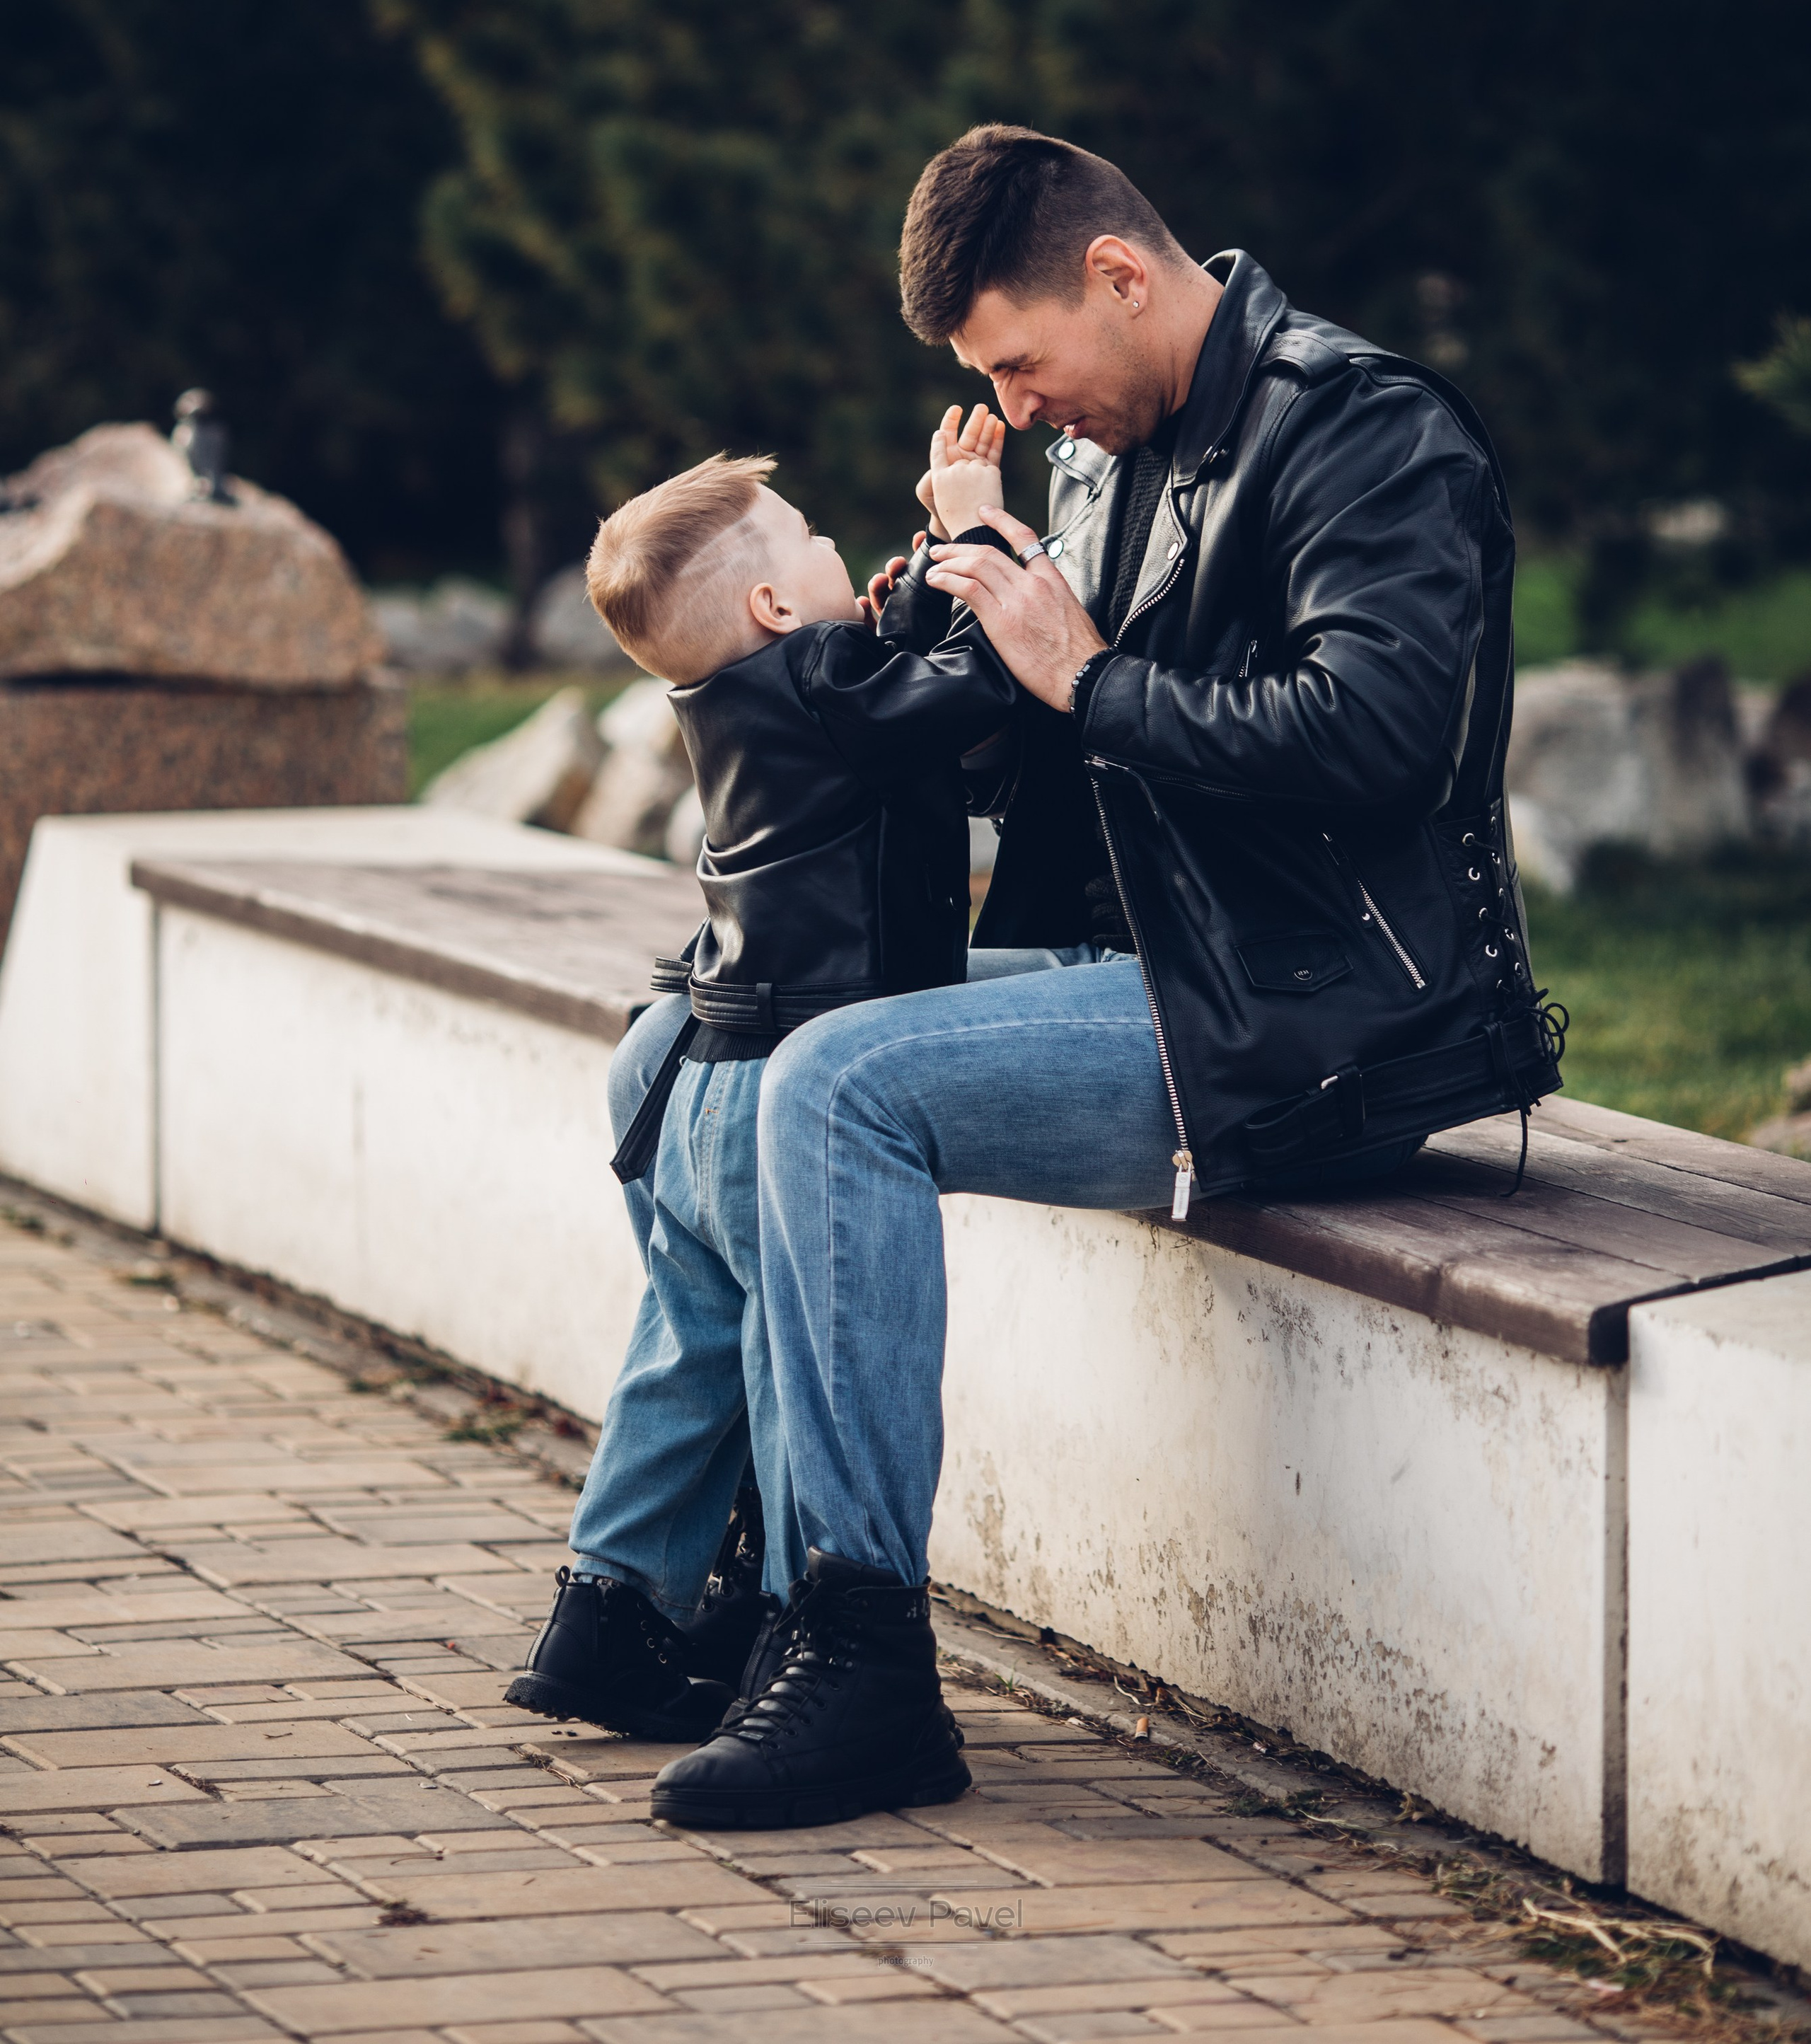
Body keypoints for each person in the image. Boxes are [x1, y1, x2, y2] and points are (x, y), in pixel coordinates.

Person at [647, 122, 1563, 1832]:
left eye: (1020, 357)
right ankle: (686, 1588)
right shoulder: (1094, 448)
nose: (1019, 397)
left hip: (1325, 1018)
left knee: (840, 1083)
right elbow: (1049, 753)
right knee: (699, 1033)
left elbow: (1378, 741)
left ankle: (860, 1667)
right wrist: (940, 623)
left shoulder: (1365, 430)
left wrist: (1076, 676)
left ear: (1119, 276)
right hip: (1155, 963)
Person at [505, 432, 1018, 1761]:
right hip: (780, 1081)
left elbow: (882, 680)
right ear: (773, 605)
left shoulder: (752, 688)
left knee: (691, 1345)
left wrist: (905, 594)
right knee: (795, 1361)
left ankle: (605, 1612)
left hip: (696, 1078)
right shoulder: (827, 676)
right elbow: (975, 693)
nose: (842, 544)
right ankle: (805, 1629)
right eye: (809, 537)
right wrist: (988, 535)